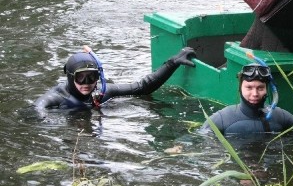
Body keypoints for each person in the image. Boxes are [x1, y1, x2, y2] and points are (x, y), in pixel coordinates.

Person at [34, 46, 197, 110]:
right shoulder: (57, 97)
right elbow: (37, 109)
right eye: (81, 78)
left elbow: (142, 87)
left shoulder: (101, 92)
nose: (87, 84)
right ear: (70, 77)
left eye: (92, 77)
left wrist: (172, 63)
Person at [199, 63, 293, 135]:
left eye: (260, 88)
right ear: (240, 88)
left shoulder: (280, 116)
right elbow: (198, 141)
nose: (255, 94)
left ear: (267, 89)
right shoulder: (222, 118)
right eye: (249, 88)